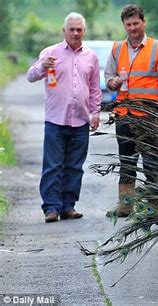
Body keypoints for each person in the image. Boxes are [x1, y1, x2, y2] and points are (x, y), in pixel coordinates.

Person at [27, 12, 101, 223]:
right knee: (53, 165)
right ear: (64, 31)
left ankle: (68, 206)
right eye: (72, 29)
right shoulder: (50, 52)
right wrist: (42, 67)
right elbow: (30, 76)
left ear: (84, 31)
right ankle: (51, 207)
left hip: (81, 121)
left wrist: (96, 112)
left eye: (79, 29)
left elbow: (95, 88)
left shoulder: (91, 57)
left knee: (75, 166)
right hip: (55, 120)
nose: (75, 33)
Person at [104, 4, 158, 217]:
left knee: (152, 162)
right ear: (123, 25)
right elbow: (108, 78)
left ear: (144, 22)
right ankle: (126, 206)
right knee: (126, 161)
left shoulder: (157, 48)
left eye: (136, 23)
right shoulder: (117, 49)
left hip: (149, 117)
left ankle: (156, 207)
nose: (132, 28)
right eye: (128, 24)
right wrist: (113, 82)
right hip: (124, 115)